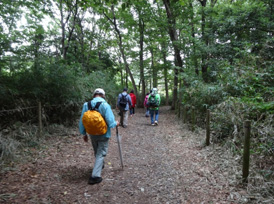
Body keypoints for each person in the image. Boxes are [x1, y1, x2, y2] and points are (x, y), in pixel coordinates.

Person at [79, 88, 119, 185]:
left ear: (94, 95)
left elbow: (82, 121)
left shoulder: (86, 105)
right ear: (103, 95)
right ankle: (95, 176)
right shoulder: (105, 105)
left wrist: (84, 133)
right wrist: (116, 123)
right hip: (103, 133)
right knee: (101, 153)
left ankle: (100, 165)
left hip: (92, 133)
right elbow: (110, 122)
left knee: (97, 151)